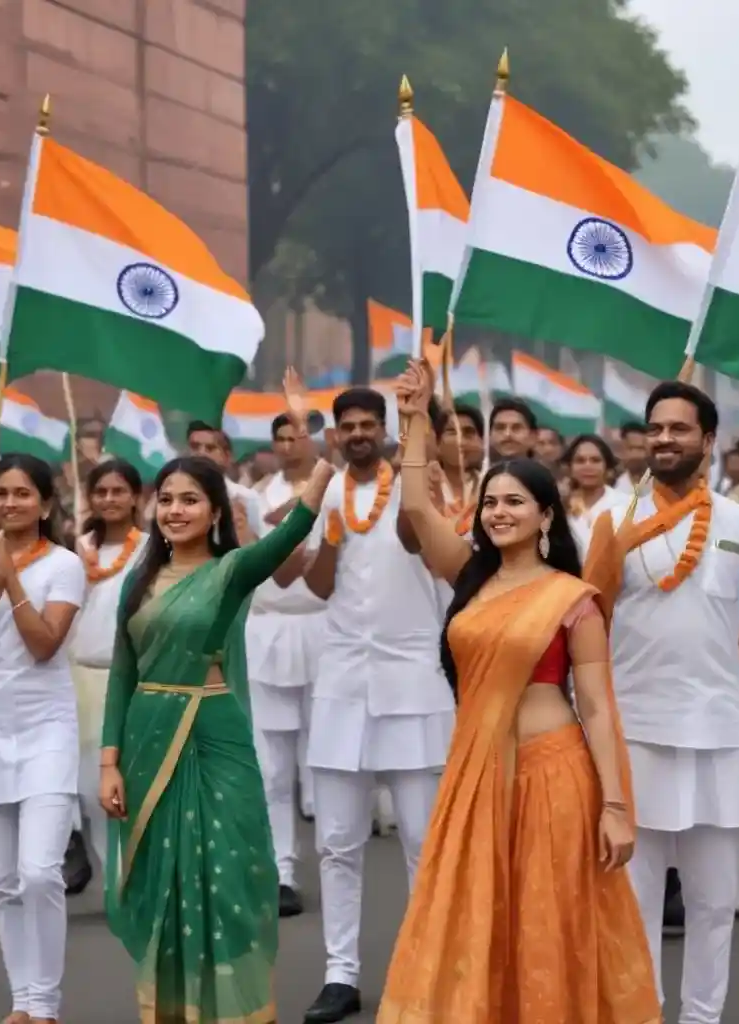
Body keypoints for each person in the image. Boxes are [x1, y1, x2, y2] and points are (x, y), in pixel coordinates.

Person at [375, 361, 657, 1023]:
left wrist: (616, 805)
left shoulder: (571, 599)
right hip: (475, 776)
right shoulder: (469, 575)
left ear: (545, 516)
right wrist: (415, 422)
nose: (499, 513)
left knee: (543, 918)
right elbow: (416, 506)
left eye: (514, 503)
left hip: (551, 776)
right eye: (491, 503)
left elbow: (595, 705)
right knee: (476, 914)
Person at [100, 442, 334, 1024]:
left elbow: (289, 535)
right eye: (167, 500)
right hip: (147, 737)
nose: (176, 511)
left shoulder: (229, 571)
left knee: (225, 880)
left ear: (214, 512)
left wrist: (322, 465)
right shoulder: (140, 579)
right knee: (164, 883)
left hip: (213, 734)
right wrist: (109, 762)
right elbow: (122, 672)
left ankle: (232, 1012)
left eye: (191, 500)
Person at [584, 381, 739, 1024]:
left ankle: (701, 1017)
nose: (665, 439)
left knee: (714, 902)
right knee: (632, 904)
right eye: (656, 428)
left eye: (679, 429)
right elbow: (589, 630)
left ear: (709, 440)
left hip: (719, 739)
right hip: (636, 733)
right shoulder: (613, 522)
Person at [302, 386, 455, 1023]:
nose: (359, 434)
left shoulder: (418, 485)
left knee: (423, 841)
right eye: (349, 426)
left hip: (412, 681)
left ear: (386, 431)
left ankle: (425, 968)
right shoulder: (328, 490)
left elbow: (418, 541)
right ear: (336, 434)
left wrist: (420, 423)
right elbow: (313, 583)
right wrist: (331, 539)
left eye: (370, 424)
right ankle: (341, 974)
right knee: (338, 841)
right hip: (341, 684)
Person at [0, 454, 88, 1024]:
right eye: (2, 494)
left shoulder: (65, 566)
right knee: (4, 882)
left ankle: (47, 1003)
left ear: (46, 504)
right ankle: (24, 1002)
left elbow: (43, 644)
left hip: (45, 732)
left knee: (39, 872)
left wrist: (11, 582)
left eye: (23, 494)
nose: (10, 503)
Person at [246, 411, 325, 917]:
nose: (289, 443)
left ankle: (338, 856)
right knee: (271, 765)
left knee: (324, 759)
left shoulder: (332, 487)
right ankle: (282, 870)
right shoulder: (255, 496)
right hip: (268, 628)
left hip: (323, 627)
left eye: (298, 434)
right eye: (280, 436)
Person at [70, 459, 146, 877]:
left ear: (136, 497)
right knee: (91, 788)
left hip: (135, 680)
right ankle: (116, 878)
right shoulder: (79, 550)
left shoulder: (156, 547)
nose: (110, 499)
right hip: (84, 678)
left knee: (136, 781)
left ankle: (142, 875)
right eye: (101, 492)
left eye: (119, 491)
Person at [562, 433, 629, 560]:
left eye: (595, 460)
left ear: (607, 466)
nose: (588, 466)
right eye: (580, 460)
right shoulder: (561, 506)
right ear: (570, 467)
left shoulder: (626, 504)